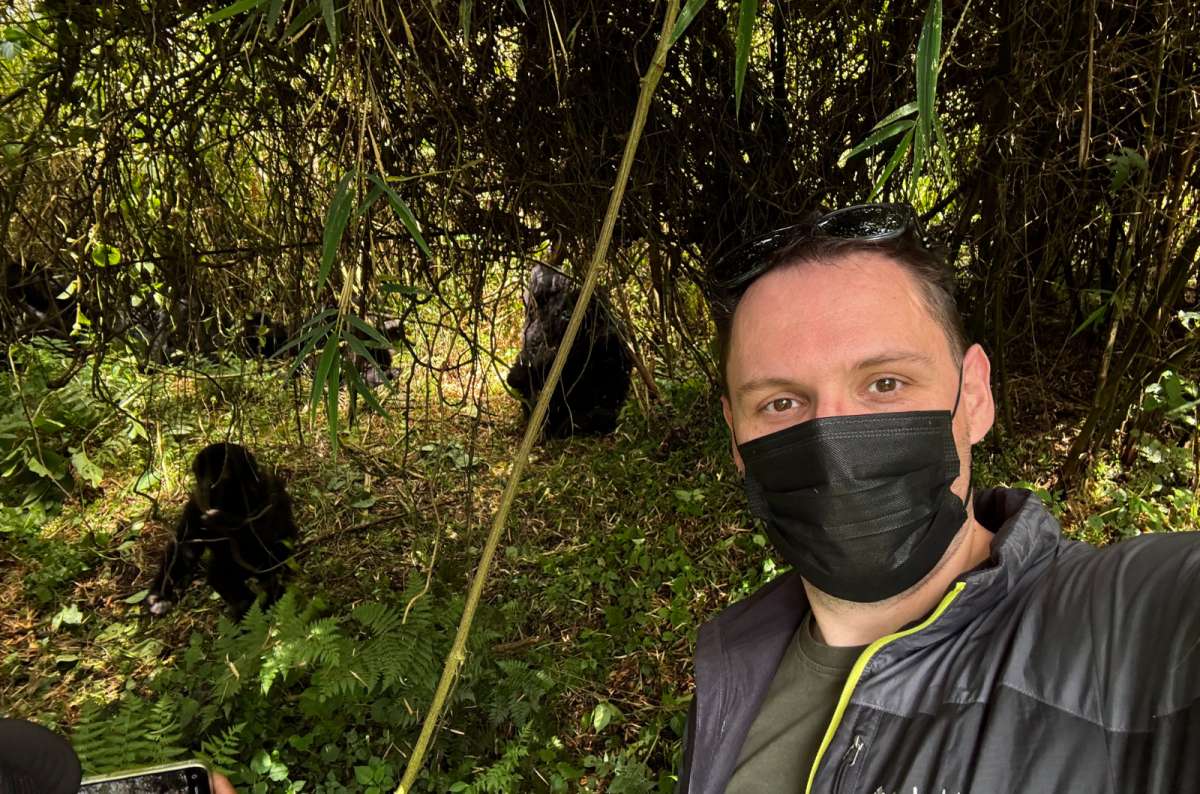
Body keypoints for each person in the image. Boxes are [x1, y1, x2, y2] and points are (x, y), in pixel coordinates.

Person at [676, 204, 1200, 793]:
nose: (833, 444)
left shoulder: (1124, 629)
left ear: (973, 395)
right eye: (780, 403)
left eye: (885, 383)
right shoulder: (733, 669)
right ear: (736, 436)